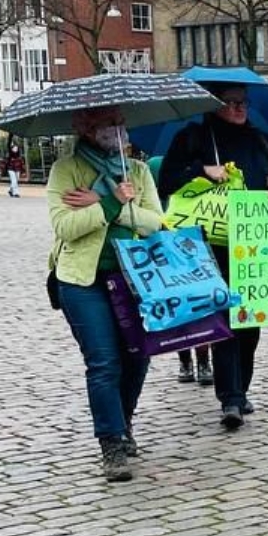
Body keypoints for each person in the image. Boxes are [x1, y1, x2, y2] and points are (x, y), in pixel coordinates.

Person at [157, 84, 268, 430]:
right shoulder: (194, 138)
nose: (238, 108)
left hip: (254, 244)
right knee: (225, 319)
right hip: (208, 245)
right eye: (231, 103)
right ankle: (229, 398)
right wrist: (203, 171)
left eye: (242, 102)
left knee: (250, 321)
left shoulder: (261, 140)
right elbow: (168, 181)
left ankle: (241, 388)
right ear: (214, 106)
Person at [48, 106, 164, 481]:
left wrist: (107, 206)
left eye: (121, 123)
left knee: (137, 357)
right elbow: (66, 227)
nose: (118, 130)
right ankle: (112, 442)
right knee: (103, 361)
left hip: (134, 279)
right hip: (83, 281)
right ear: (84, 127)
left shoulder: (140, 172)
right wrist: (114, 202)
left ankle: (124, 421)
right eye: (108, 123)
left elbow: (155, 223)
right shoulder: (67, 171)